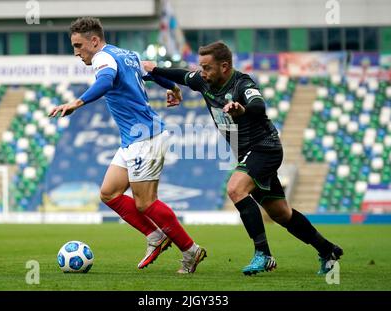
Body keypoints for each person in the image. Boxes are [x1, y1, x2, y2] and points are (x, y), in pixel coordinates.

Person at [142, 41, 343, 275]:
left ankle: (264, 255)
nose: (202, 72)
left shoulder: (242, 83)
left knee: (236, 189)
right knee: (280, 213)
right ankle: (327, 249)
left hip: (265, 147)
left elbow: (259, 105)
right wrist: (154, 70)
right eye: (201, 67)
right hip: (246, 151)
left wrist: (243, 110)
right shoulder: (203, 81)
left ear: (225, 66)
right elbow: (182, 75)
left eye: (207, 68)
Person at [49, 17, 206, 274]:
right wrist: (173, 87)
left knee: (145, 203)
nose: (76, 52)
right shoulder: (127, 55)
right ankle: (155, 236)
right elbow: (150, 72)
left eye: (78, 45)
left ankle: (191, 251)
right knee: (109, 193)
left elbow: (106, 81)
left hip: (146, 138)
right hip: (133, 140)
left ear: (94, 41)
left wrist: (77, 103)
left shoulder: (102, 59)